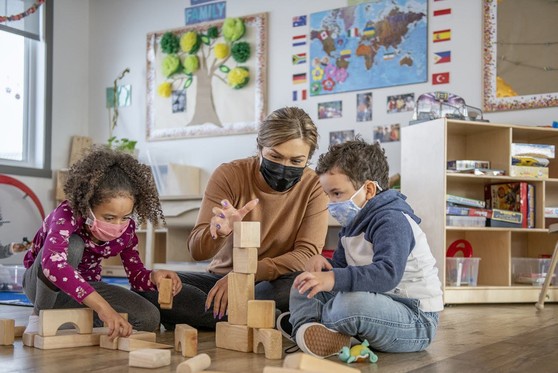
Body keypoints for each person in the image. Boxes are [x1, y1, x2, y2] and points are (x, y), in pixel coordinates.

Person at [139, 106, 329, 330]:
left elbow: (306, 255)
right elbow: (197, 251)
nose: (284, 168)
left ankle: (230, 315)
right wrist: (218, 233)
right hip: (221, 280)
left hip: (274, 281)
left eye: (296, 161)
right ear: (260, 148)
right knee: (150, 287)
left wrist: (244, 275)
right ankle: (267, 317)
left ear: (308, 159)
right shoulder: (230, 174)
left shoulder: (315, 184)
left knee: (299, 286)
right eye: (275, 156)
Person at [286, 138, 443, 358]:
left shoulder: (392, 220)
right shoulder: (352, 222)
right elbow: (342, 266)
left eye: (337, 193)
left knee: (349, 303)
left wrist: (332, 278)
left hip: (415, 318)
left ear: (368, 189)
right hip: (378, 305)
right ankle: (306, 329)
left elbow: (387, 274)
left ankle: (320, 325)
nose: (331, 203)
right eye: (327, 195)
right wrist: (325, 267)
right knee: (304, 283)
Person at [23, 147, 182, 340]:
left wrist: (154, 276)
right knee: (74, 245)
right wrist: (104, 308)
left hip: (86, 289)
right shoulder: (66, 214)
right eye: (109, 217)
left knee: (149, 318)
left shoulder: (127, 229)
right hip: (42, 287)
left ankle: (70, 319)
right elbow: (53, 265)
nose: (118, 225)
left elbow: (136, 275)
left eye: (125, 217)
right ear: (87, 206)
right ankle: (39, 316)